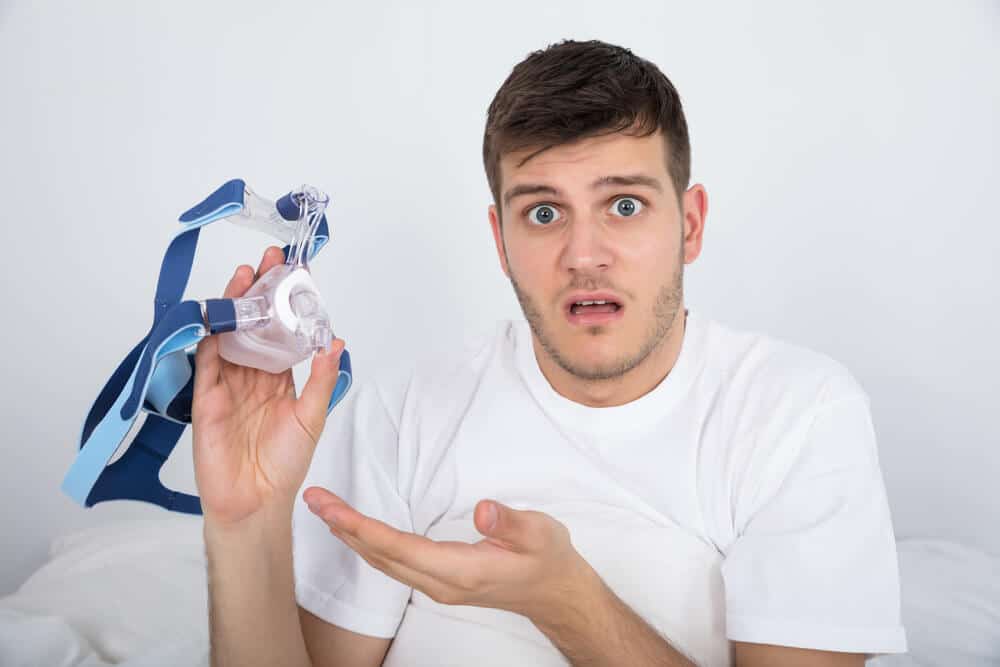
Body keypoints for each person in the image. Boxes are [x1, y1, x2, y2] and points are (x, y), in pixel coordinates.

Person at [195, 39, 907, 666]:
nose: (583, 254)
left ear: (689, 226)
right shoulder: (405, 407)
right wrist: (245, 524)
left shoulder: (798, 411)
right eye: (543, 212)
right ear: (501, 240)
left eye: (624, 204)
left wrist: (565, 600)